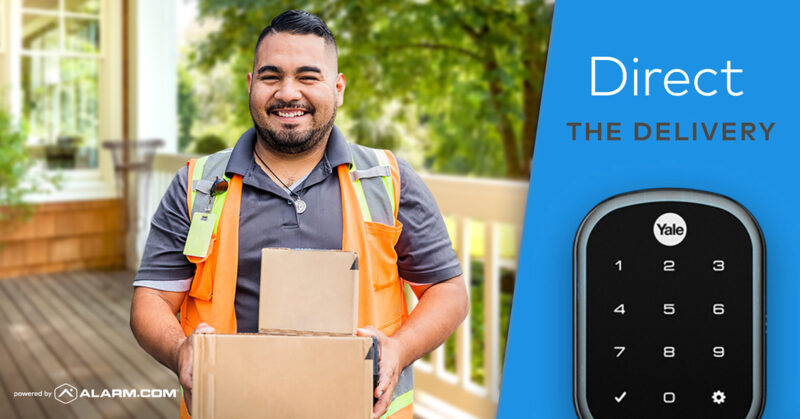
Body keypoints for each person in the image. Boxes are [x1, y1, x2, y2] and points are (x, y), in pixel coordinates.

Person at [130, 9, 468, 419]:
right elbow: (151, 300)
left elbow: (447, 292)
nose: (289, 93)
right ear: (251, 85)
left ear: (338, 88)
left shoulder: (389, 180)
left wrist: (398, 349)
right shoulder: (196, 184)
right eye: (272, 76)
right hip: (231, 409)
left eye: (308, 77)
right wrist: (178, 347)